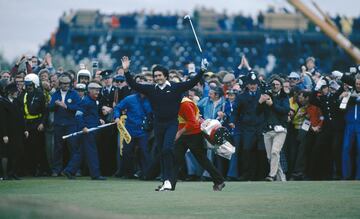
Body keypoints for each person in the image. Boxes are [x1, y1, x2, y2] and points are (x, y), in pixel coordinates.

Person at [122, 56, 207, 191]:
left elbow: (191, 83)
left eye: (160, 75)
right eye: (155, 75)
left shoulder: (176, 87)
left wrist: (202, 70)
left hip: (172, 124)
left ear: (166, 76)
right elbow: (133, 84)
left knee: (167, 149)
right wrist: (126, 70)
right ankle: (165, 180)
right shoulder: (151, 89)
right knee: (162, 152)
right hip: (158, 125)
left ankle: (168, 179)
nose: (157, 77)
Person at [173, 95, 225, 191]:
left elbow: (192, 122)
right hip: (186, 134)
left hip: (194, 134)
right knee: (176, 159)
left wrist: (179, 132)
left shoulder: (185, 104)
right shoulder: (181, 102)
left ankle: (219, 180)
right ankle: (170, 185)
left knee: (202, 160)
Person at [63, 81, 107, 180]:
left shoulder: (92, 101)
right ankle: (95, 174)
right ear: (90, 90)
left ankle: (69, 170)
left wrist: (99, 120)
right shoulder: (86, 101)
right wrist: (83, 127)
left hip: (91, 130)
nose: (98, 92)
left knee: (81, 152)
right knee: (92, 152)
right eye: (96, 90)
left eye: (99, 90)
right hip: (87, 131)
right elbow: (78, 115)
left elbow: (90, 116)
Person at [257, 76, 289, 181]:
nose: (275, 86)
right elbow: (257, 112)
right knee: (270, 157)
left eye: (277, 84)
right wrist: (260, 102)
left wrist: (272, 104)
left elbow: (285, 110)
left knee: (275, 152)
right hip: (267, 130)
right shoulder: (266, 95)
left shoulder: (284, 97)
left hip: (280, 130)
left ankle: (271, 175)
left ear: (281, 86)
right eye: (273, 84)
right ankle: (281, 177)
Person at [113, 92, 152, 178]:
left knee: (144, 152)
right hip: (130, 130)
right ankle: (128, 173)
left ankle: (146, 173)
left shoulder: (151, 98)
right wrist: (116, 117)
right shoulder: (129, 99)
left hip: (144, 130)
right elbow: (118, 108)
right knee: (126, 151)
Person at [49, 73, 81, 176]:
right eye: (63, 83)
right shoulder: (56, 94)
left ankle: (74, 169)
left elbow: (78, 107)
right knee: (58, 148)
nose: (65, 85)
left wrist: (66, 106)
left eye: (67, 83)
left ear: (70, 84)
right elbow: (49, 108)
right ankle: (56, 170)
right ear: (60, 84)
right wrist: (56, 104)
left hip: (71, 124)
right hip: (59, 124)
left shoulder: (74, 94)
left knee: (73, 147)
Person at [21, 73, 49, 176]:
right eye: (27, 85)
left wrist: (42, 123)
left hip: (37, 123)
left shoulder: (40, 95)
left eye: (30, 85)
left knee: (39, 148)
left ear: (35, 84)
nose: (28, 87)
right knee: (28, 148)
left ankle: (41, 169)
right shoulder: (23, 95)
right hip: (27, 124)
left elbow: (45, 111)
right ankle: (30, 169)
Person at [0, 83, 27, 180]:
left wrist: (25, 129)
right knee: (5, 153)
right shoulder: (2, 102)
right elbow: (2, 120)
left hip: (17, 132)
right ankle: (4, 174)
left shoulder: (17, 102)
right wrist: (4, 134)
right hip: (7, 132)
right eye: (15, 91)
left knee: (17, 151)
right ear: (9, 92)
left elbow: (21, 117)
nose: (17, 93)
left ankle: (13, 172)